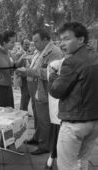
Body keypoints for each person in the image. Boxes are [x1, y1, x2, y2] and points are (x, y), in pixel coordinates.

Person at [48, 22, 98, 170]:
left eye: (66, 39)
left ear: (81, 40)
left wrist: (52, 75)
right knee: (82, 162)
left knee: (66, 166)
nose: (62, 44)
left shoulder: (72, 62)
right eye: (61, 39)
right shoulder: (95, 56)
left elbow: (56, 91)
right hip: (94, 122)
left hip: (75, 123)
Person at [16, 29, 62, 155]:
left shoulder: (54, 52)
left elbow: (50, 73)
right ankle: (37, 137)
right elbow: (37, 66)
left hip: (43, 88)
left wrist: (27, 71)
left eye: (36, 41)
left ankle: (45, 145)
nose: (33, 44)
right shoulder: (40, 51)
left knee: (44, 118)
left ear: (45, 40)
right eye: (33, 41)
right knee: (37, 115)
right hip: (35, 86)